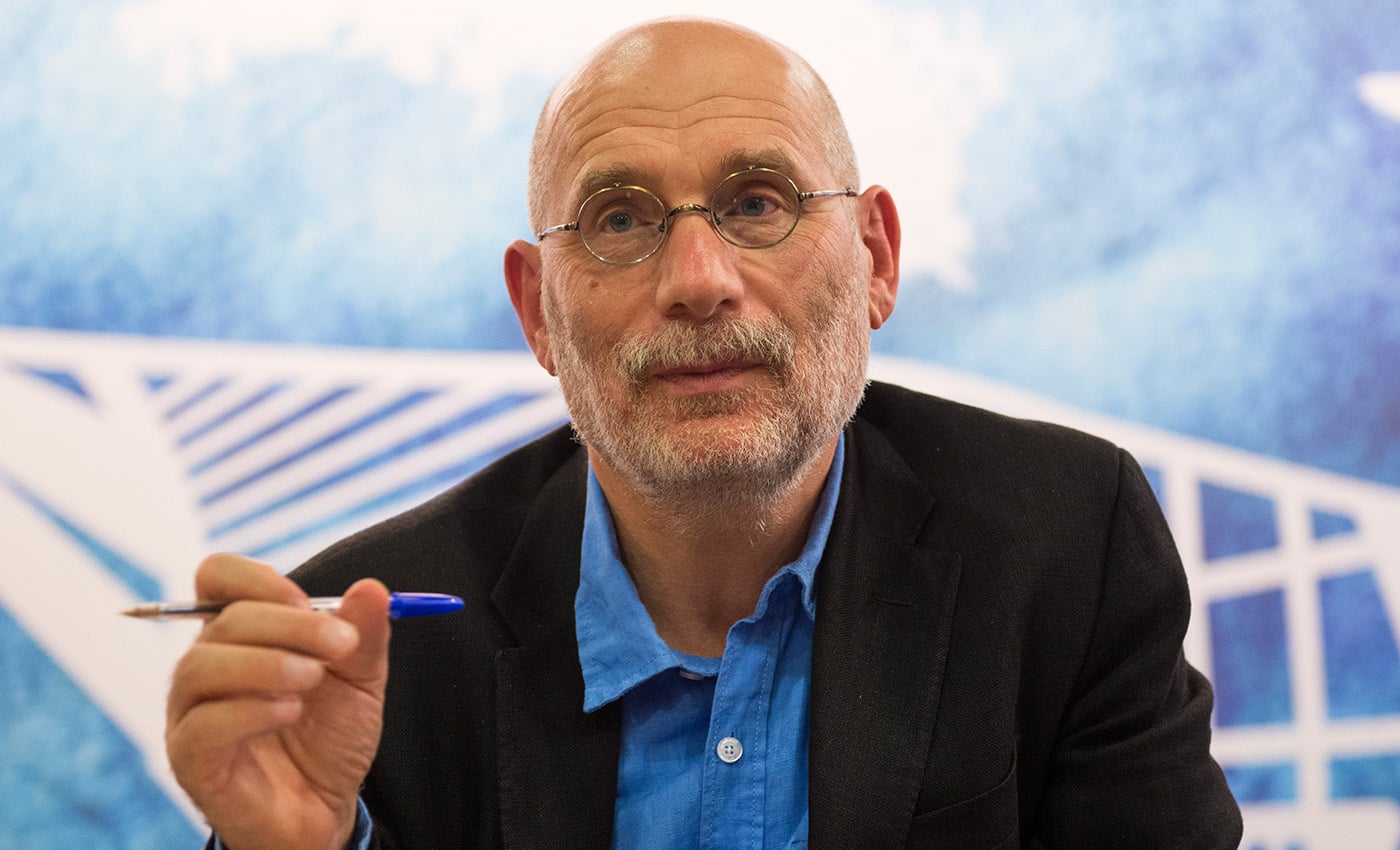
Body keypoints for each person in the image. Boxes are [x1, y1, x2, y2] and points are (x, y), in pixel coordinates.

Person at [164, 16, 1243, 850]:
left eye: (757, 202)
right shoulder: (362, 647)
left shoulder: (1065, 548)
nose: (697, 279)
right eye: (619, 220)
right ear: (538, 312)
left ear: (875, 257)